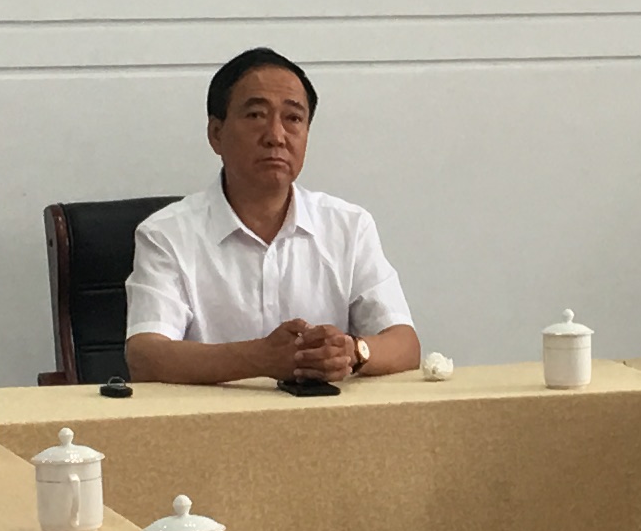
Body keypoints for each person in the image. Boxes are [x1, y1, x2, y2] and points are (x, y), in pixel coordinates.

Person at [122, 47, 421, 385]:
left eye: (293, 118)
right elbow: (146, 357)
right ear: (216, 134)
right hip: (209, 417)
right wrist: (260, 358)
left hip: (325, 416)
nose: (276, 136)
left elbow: (405, 345)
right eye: (256, 116)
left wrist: (353, 352)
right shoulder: (166, 234)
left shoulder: (349, 226)